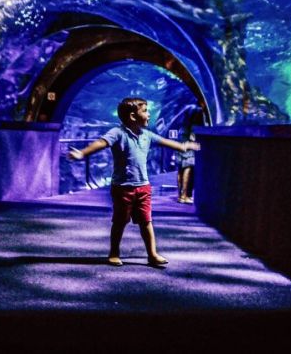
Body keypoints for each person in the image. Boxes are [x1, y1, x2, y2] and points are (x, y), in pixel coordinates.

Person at [68, 97, 200, 267]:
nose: (149, 114)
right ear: (132, 116)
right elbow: (101, 143)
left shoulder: (147, 135)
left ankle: (152, 254)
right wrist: (82, 153)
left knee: (146, 221)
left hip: (143, 187)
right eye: (145, 111)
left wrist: (184, 146)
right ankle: (114, 252)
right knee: (120, 222)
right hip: (122, 188)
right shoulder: (118, 133)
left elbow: (165, 142)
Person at [176, 105, 205, 204]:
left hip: (180, 143)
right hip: (189, 144)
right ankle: (186, 195)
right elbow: (193, 136)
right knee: (188, 168)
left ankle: (180, 196)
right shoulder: (197, 115)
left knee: (180, 168)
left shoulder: (184, 119)